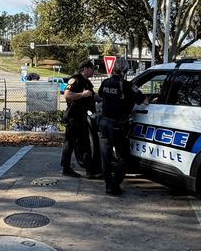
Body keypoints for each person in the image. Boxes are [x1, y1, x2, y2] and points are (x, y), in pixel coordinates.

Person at [97, 56, 145, 195]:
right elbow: (143, 100)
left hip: (104, 123)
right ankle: (114, 184)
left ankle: (108, 185)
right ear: (126, 70)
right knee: (124, 157)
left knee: (105, 156)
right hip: (117, 126)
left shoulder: (105, 82)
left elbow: (101, 96)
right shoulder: (128, 86)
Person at [61, 59, 101, 178]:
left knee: (85, 144)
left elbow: (93, 96)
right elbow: (67, 95)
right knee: (70, 143)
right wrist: (82, 95)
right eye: (92, 69)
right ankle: (66, 168)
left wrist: (107, 97)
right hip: (74, 116)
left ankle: (90, 171)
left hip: (82, 116)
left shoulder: (87, 83)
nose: (94, 71)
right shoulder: (76, 80)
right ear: (85, 69)